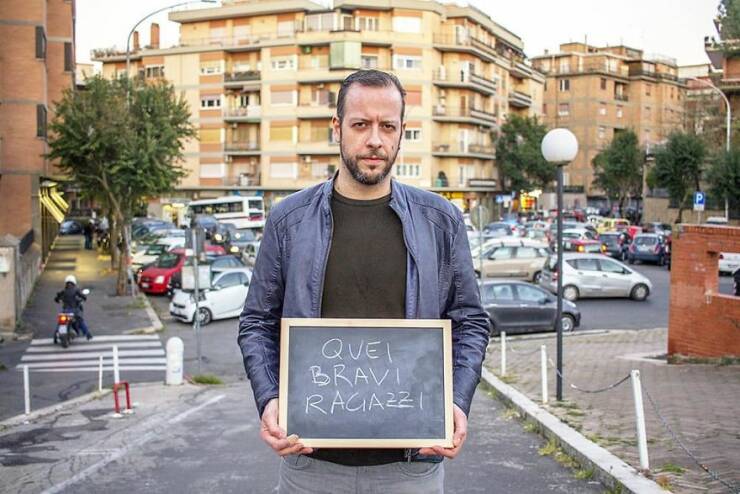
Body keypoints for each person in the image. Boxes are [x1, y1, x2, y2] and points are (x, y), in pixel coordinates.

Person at [238, 70, 490, 493]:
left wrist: (457, 401)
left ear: (402, 132)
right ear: (337, 128)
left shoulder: (441, 221)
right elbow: (257, 322)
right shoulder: (288, 221)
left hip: (411, 468)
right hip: (309, 465)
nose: (375, 140)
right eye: (360, 124)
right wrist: (269, 399)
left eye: (387, 126)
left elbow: (470, 322)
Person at [54, 275, 93, 340]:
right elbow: (83, 296)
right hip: (74, 311)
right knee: (80, 320)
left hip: (65, 311)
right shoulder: (76, 290)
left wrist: (58, 300)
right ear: (74, 282)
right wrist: (84, 298)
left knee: (60, 322)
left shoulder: (63, 291)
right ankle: (87, 334)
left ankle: (56, 333)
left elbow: (56, 299)